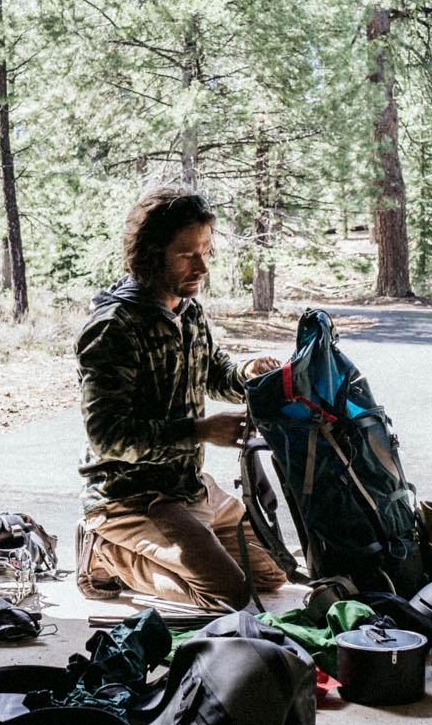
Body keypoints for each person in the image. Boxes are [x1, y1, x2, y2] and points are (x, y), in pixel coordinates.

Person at [75, 186, 290, 610]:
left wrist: (247, 373)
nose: (202, 266)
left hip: (190, 487)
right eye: (187, 254)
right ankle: (104, 552)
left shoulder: (189, 311)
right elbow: (108, 437)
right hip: (132, 497)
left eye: (205, 251)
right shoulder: (113, 328)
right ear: (151, 254)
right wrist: (199, 431)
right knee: (227, 595)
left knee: (273, 574)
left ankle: (191, 544)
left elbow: (216, 374)